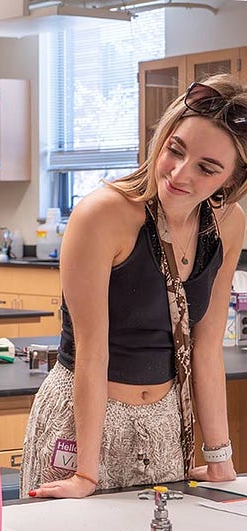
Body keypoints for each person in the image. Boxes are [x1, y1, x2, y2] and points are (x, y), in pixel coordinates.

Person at [22, 74, 246, 498]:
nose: (179, 173)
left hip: (163, 421)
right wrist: (85, 476)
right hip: (83, 420)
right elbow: (92, 351)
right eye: (174, 151)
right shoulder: (103, 215)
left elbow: (207, 344)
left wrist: (219, 457)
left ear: (230, 182)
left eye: (206, 168)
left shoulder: (228, 224)